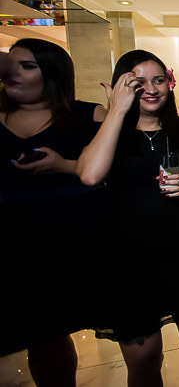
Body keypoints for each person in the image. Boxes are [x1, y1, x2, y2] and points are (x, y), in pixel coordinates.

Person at [77, 50, 179, 387]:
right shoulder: (107, 132)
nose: (151, 89)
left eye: (158, 81)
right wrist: (116, 111)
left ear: (169, 84)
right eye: (137, 83)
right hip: (128, 262)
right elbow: (90, 175)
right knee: (145, 357)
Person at [0, 39, 106, 386]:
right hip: (8, 246)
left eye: (27, 66)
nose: (12, 73)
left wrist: (65, 166)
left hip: (62, 248)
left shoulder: (87, 116)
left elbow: (109, 174)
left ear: (54, 75)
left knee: (48, 339)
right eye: (10, 65)